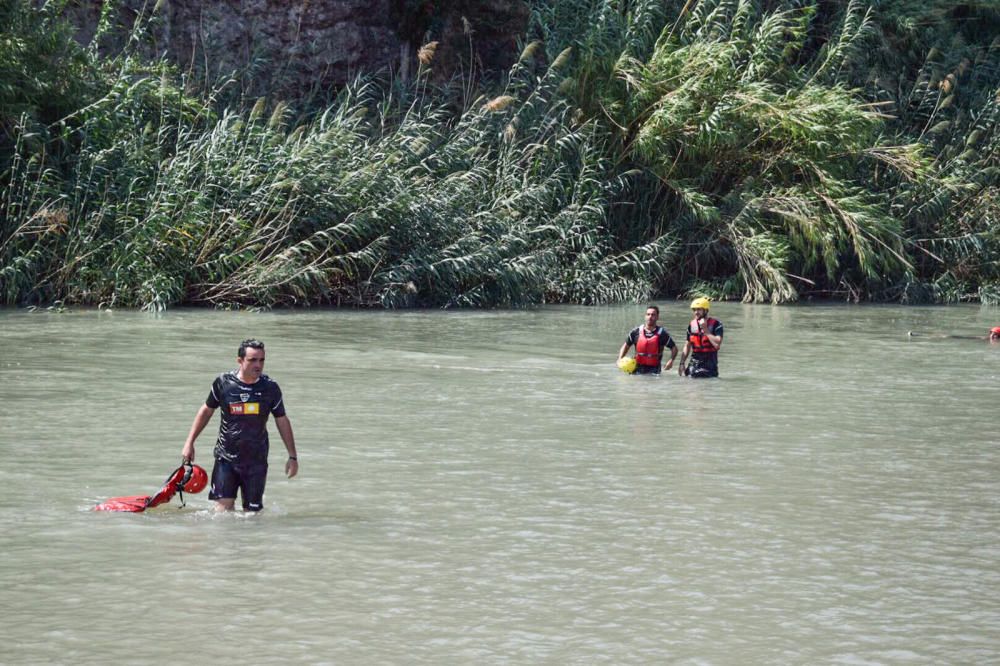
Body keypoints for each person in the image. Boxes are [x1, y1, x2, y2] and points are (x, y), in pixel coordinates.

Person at [181, 339, 298, 512]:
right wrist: (189, 443)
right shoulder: (223, 383)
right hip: (225, 458)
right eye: (252, 360)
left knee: (252, 516)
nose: (258, 365)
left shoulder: (270, 388)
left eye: (262, 360)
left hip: (256, 461)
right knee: (222, 513)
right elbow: (206, 411)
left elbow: (281, 420)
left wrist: (292, 456)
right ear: (240, 361)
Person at [618, 305, 678, 375]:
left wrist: (671, 360)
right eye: (648, 314)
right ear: (645, 316)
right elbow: (625, 346)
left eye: (653, 315)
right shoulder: (635, 332)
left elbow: (674, 348)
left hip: (654, 371)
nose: (650, 317)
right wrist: (620, 358)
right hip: (637, 369)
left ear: (657, 317)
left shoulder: (662, 334)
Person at [679, 297, 723, 378]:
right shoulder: (691, 325)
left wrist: (705, 329)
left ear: (706, 310)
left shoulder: (716, 324)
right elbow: (687, 345)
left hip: (710, 363)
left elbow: (717, 345)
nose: (696, 312)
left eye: (699, 309)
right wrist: (682, 363)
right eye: (694, 310)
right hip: (694, 362)